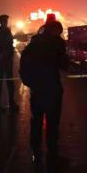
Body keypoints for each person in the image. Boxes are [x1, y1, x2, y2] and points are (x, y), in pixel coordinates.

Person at [21, 20, 69, 161]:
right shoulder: (56, 43)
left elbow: (24, 63)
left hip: (37, 88)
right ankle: (52, 153)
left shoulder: (35, 42)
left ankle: (36, 152)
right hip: (52, 87)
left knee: (36, 120)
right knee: (52, 122)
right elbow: (64, 65)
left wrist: (30, 82)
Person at [0, 14, 18, 112]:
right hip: (0, 62)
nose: (5, 23)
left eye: (6, 21)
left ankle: (12, 104)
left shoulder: (7, 32)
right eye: (4, 21)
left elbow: (10, 45)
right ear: (1, 22)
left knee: (10, 84)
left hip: (7, 61)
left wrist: (9, 54)